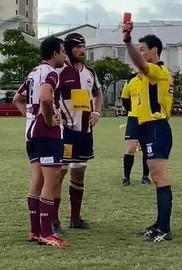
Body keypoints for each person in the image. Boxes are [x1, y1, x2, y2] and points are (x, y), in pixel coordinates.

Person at [13, 37, 70, 248]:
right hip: (47, 134)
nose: (65, 55)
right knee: (51, 180)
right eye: (63, 51)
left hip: (31, 134)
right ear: (54, 53)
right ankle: (46, 233)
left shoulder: (33, 73)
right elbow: (46, 98)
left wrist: (30, 117)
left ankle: (35, 231)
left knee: (37, 180)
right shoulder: (51, 73)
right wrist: (47, 120)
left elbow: (17, 99)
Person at [122, 24, 174, 242]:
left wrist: (127, 41)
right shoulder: (143, 77)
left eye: (143, 48)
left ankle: (165, 228)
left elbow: (142, 65)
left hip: (156, 127)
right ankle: (160, 223)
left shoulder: (159, 71)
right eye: (139, 48)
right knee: (155, 177)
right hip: (146, 127)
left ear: (155, 51)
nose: (140, 53)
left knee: (159, 177)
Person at [52, 33, 103, 232]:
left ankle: (75, 218)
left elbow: (98, 94)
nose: (82, 50)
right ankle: (54, 220)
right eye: (78, 47)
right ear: (69, 49)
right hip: (65, 132)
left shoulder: (90, 72)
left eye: (84, 46)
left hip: (85, 132)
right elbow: (48, 95)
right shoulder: (59, 72)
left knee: (79, 172)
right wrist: (54, 116)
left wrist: (97, 111)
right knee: (59, 174)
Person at [121, 74, 151, 186]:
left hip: (148, 118)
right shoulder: (130, 81)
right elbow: (125, 100)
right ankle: (126, 178)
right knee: (131, 148)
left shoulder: (152, 79)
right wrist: (133, 110)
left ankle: (145, 177)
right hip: (133, 118)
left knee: (147, 148)